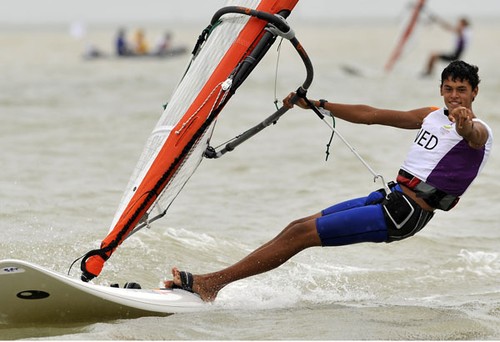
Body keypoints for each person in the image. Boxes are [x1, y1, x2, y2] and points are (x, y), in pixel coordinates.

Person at [164, 60, 492, 302]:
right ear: (440, 89)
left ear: (474, 92)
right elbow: (372, 115)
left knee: (302, 235)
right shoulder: (432, 115)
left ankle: (210, 285)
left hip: (406, 214)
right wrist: (319, 105)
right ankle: (214, 283)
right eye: (448, 89)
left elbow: (472, 135)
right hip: (389, 198)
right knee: (297, 227)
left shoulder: (480, 130)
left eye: (461, 90)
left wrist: (465, 124)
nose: (454, 97)